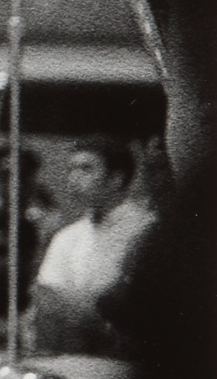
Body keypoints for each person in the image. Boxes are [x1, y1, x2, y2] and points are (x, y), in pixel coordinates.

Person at [31, 138, 157, 355]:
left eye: (86, 169)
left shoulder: (147, 231)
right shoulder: (67, 237)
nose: (74, 178)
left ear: (116, 178)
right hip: (73, 353)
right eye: (72, 169)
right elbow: (50, 297)